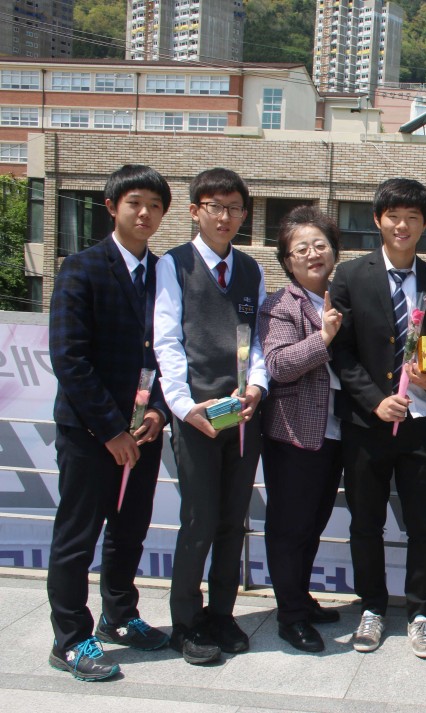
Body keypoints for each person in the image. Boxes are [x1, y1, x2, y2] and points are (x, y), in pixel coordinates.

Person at [46, 165, 172, 681]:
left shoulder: (165, 272)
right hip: (90, 433)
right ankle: (70, 638)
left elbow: (170, 353)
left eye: (155, 206)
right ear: (112, 207)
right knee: (77, 536)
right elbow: (69, 358)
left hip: (143, 431)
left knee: (130, 531)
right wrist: (110, 430)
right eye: (135, 203)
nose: (145, 213)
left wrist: (159, 410)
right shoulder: (81, 268)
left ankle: (119, 615)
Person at [330, 178, 426, 660]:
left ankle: (422, 614)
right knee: (366, 522)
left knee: (424, 524)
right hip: (367, 426)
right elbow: (340, 353)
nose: (402, 225)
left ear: (425, 224)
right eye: (393, 216)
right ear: (377, 220)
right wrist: (373, 400)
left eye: (412, 218)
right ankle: (372, 607)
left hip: (421, 422)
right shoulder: (350, 276)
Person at [155, 167, 268, 665]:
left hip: (241, 414)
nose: (225, 217)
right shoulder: (174, 265)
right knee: (198, 519)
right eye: (215, 207)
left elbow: (259, 338)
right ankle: (186, 622)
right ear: (195, 211)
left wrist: (258, 385)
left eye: (234, 208)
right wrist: (183, 407)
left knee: (232, 518)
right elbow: (166, 340)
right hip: (197, 415)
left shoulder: (251, 269)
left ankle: (222, 614)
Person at [257, 206, 345, 653]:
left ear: (334, 251)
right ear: (287, 261)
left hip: (337, 432)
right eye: (301, 249)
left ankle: (301, 598)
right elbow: (278, 365)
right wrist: (323, 338)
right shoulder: (280, 305)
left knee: (314, 523)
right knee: (289, 527)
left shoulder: (342, 296)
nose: (313, 254)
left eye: (320, 245)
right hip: (294, 433)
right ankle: (290, 615)